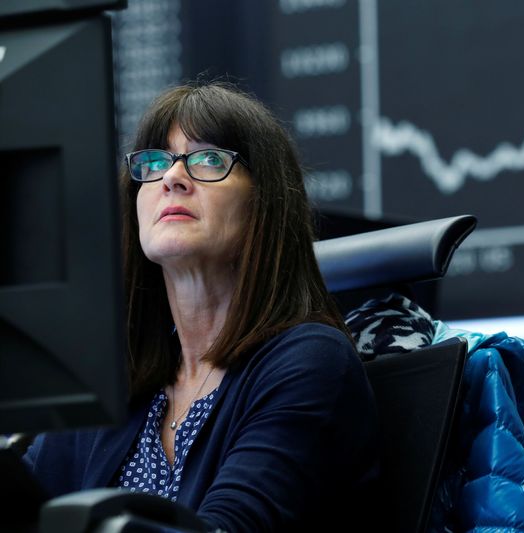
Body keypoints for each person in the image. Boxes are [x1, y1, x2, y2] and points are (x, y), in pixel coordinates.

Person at [23, 81, 380, 532]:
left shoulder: (310, 361)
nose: (171, 176)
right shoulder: (119, 379)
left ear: (264, 203)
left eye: (209, 159)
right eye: (154, 161)